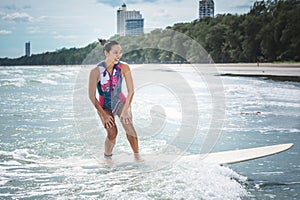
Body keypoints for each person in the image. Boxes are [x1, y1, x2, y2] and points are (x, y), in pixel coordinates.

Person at [88, 39, 143, 162]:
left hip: (120, 102)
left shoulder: (124, 67)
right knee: (112, 132)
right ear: (106, 53)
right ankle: (107, 158)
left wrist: (126, 110)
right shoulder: (95, 71)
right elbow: (92, 96)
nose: (118, 55)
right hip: (104, 106)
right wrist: (103, 115)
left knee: (129, 127)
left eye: (120, 52)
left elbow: (131, 91)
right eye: (115, 52)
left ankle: (137, 157)